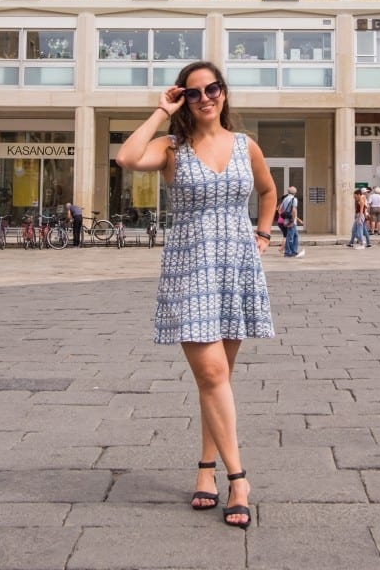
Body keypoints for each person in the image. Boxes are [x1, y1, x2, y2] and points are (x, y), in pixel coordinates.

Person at [115, 60, 275, 530]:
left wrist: (262, 236)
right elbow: (125, 158)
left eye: (213, 88)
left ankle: (205, 470)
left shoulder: (246, 146)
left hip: (236, 267)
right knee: (211, 373)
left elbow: (267, 193)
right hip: (191, 270)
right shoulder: (170, 147)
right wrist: (160, 112)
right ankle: (238, 479)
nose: (205, 97)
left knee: (218, 379)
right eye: (193, 92)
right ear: (182, 97)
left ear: (224, 93)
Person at [281, 186, 304, 259]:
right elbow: (294, 210)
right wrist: (292, 220)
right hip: (291, 220)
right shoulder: (294, 199)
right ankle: (288, 252)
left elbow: (281, 209)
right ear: (295, 192)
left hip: (287, 218)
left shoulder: (285, 199)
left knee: (295, 236)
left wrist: (286, 219)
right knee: (290, 237)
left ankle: (293, 251)